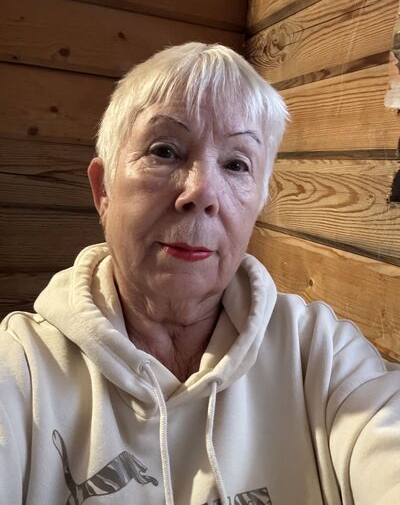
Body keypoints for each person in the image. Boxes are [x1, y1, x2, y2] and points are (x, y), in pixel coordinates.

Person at [0, 43, 399, 505]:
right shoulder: (20, 369)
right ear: (102, 190)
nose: (202, 191)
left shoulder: (322, 356)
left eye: (236, 164)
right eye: (165, 150)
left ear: (258, 204)